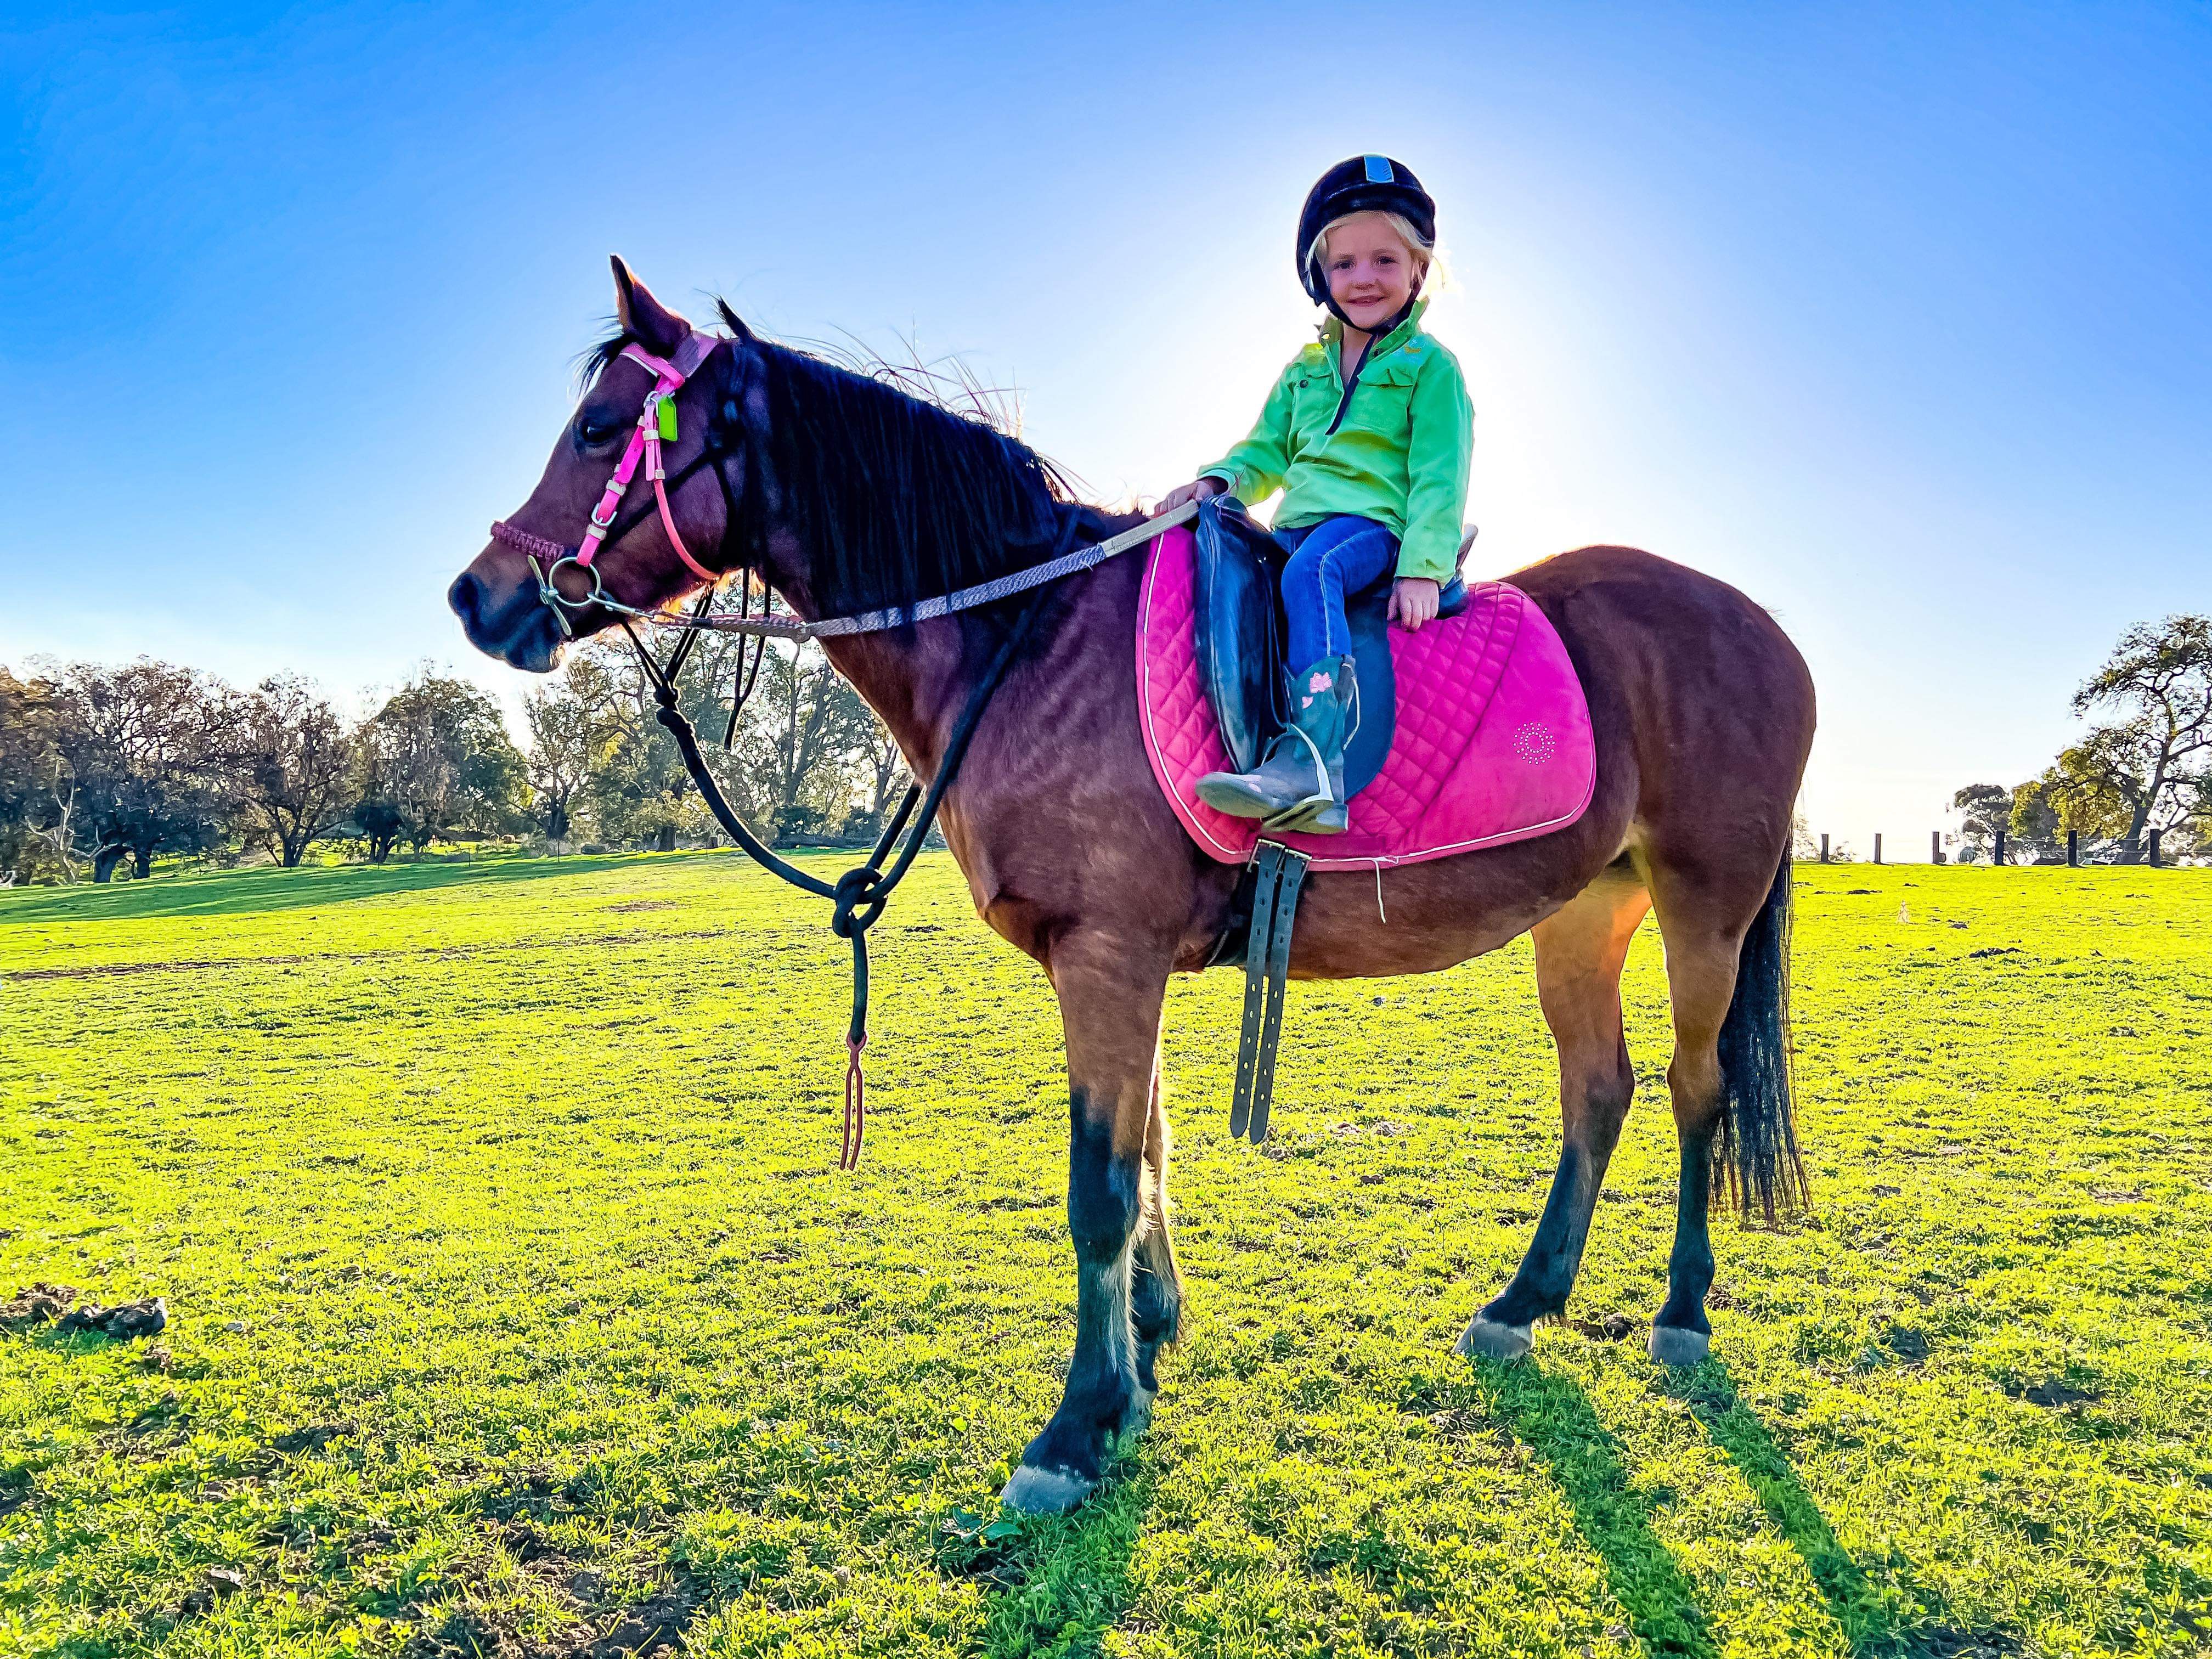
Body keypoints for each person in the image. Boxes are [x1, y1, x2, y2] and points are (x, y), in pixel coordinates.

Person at [1160, 156, 1472, 834]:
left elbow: (1441, 476)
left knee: (1315, 570)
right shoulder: (1303, 372)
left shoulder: (1430, 367)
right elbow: (1265, 452)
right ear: (1320, 277)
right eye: (1345, 265)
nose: (1364, 279)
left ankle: (1314, 764)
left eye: (1385, 261)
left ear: (1419, 271)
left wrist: (1423, 567)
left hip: (1372, 528)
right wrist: (1219, 483)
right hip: (1295, 524)